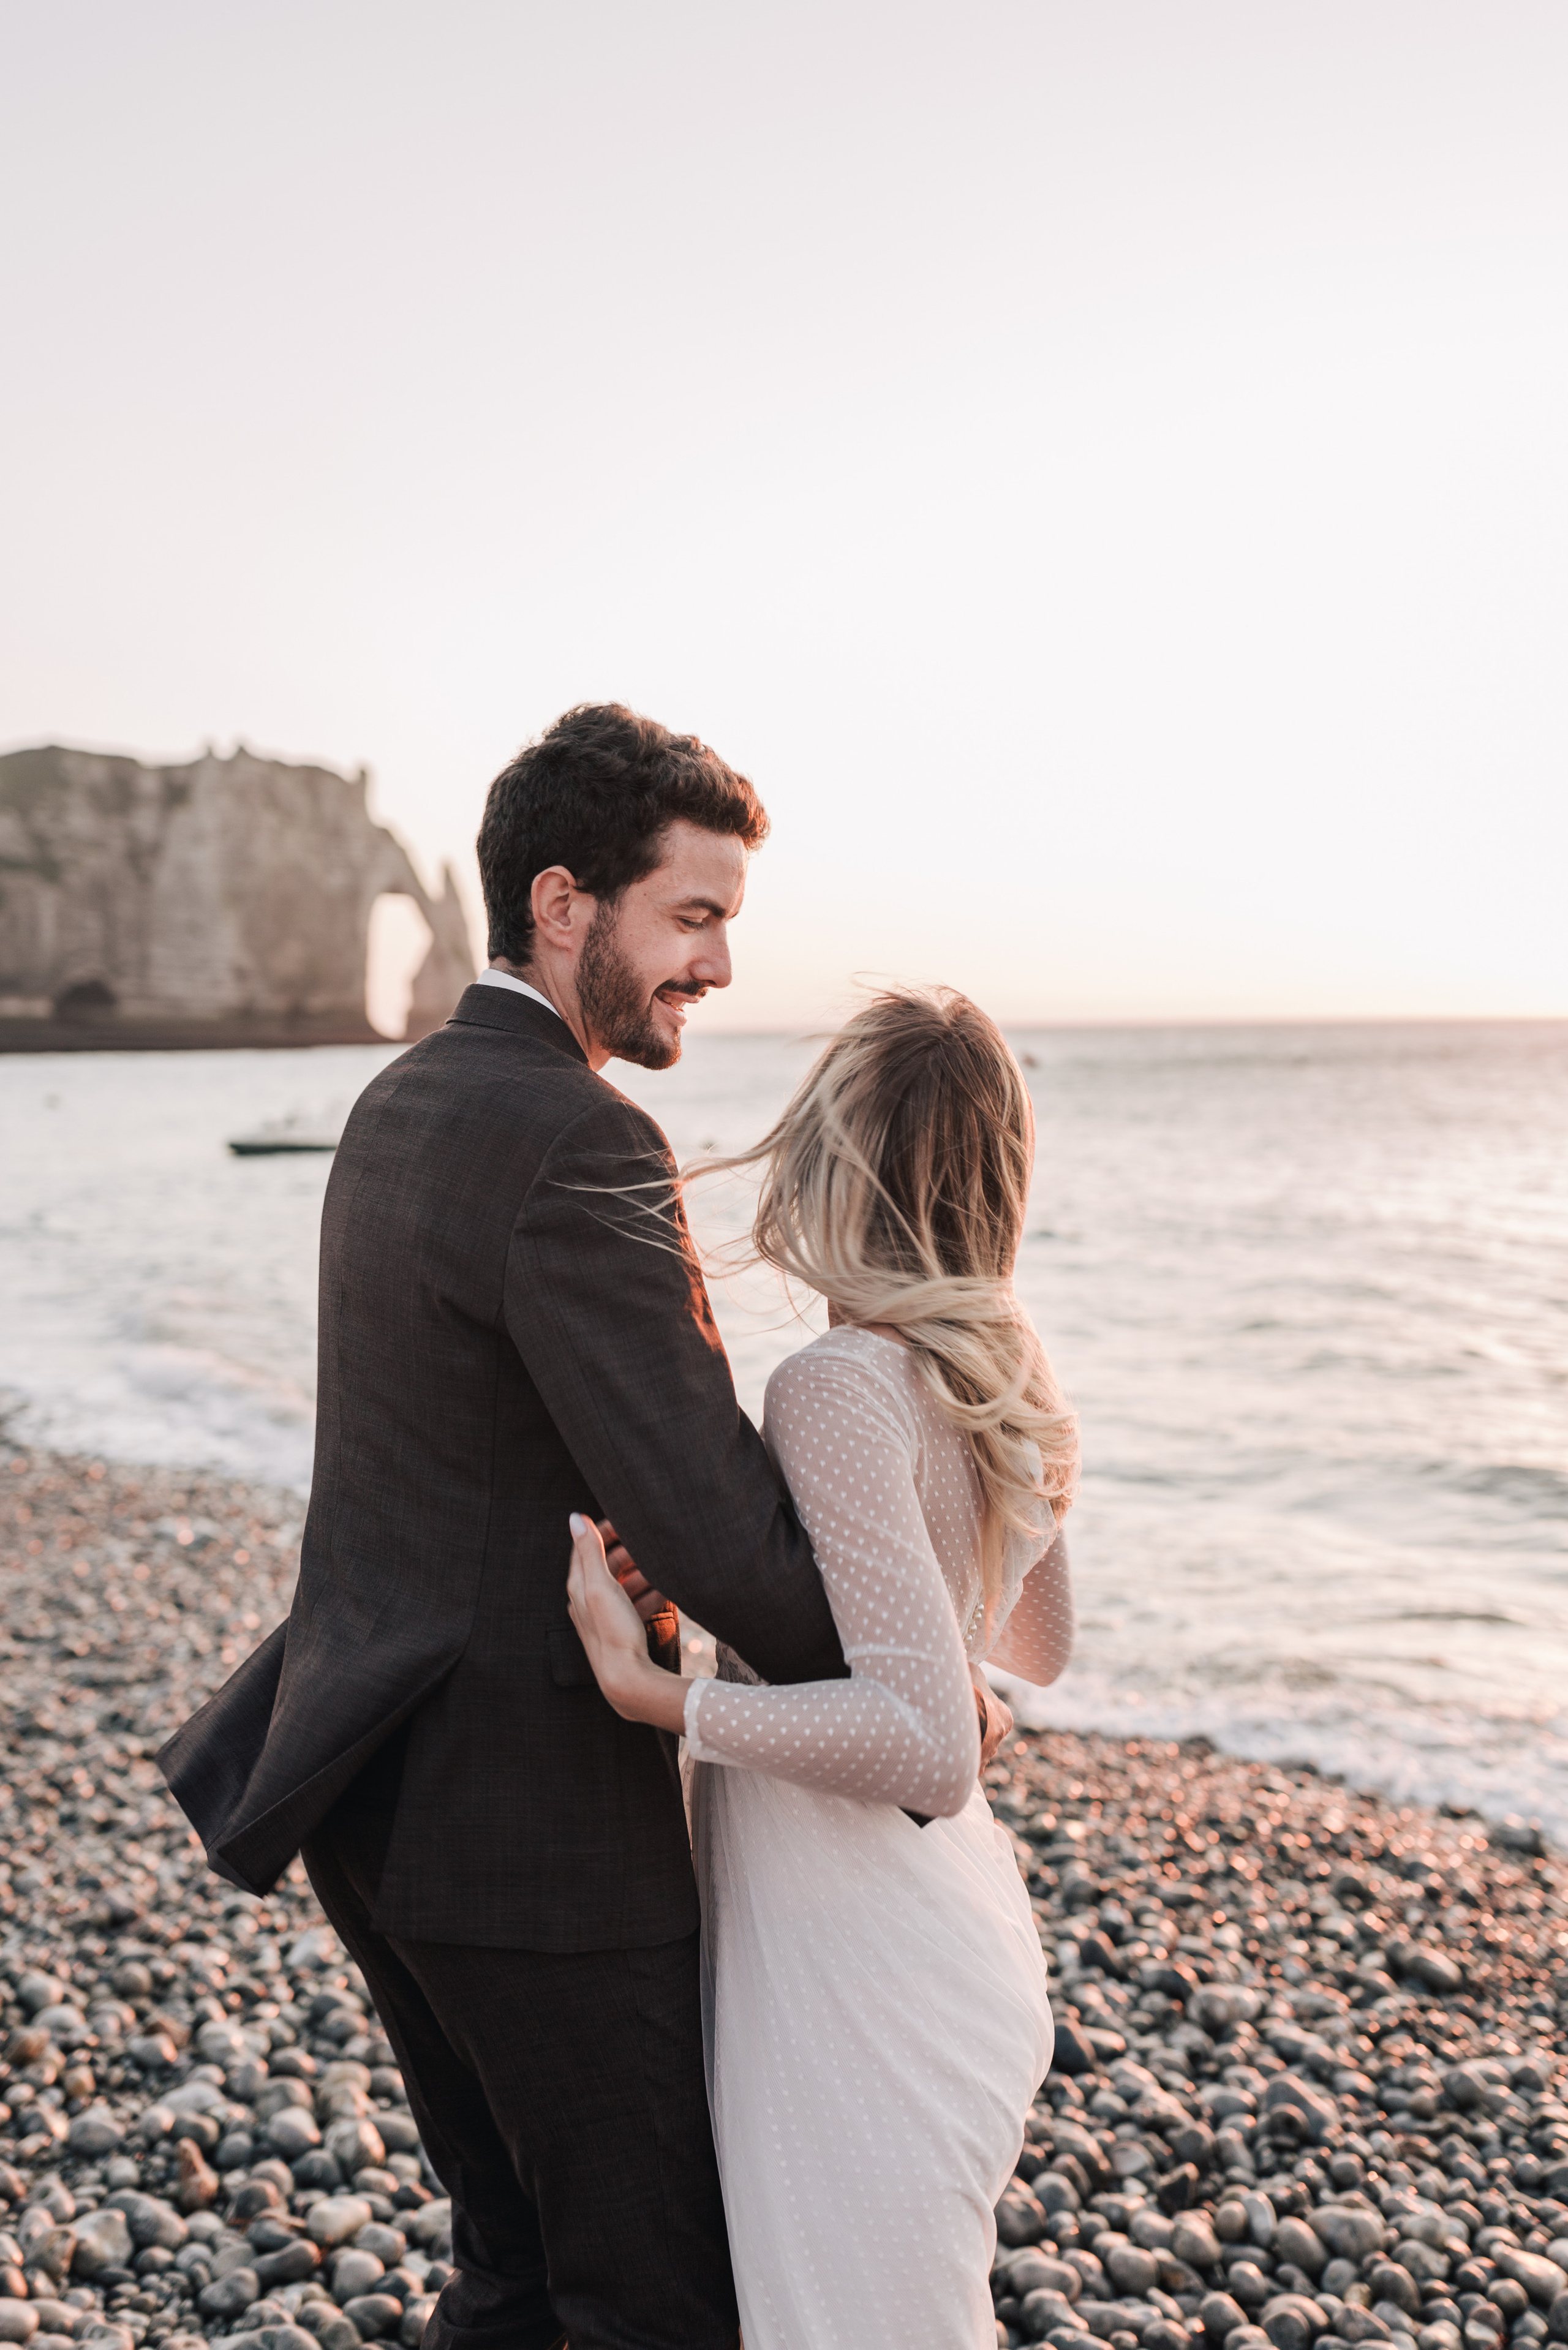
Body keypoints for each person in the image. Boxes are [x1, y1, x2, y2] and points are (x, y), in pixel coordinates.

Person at [161, 704, 871, 2350]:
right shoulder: (579, 1134)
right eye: (693, 914)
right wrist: (908, 1687)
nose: (717, 963)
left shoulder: (400, 1102)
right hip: (531, 1830)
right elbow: (711, 1515)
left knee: (520, 2271)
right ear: (566, 904)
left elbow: (472, 1445)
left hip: (376, 1786)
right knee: (652, 2300)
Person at [567, 985, 1078, 2350]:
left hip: (857, 1956)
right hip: (942, 1929)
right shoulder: (1000, 1358)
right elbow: (1026, 1649)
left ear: (832, 1154)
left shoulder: (838, 1382)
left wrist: (664, 1697)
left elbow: (925, 1742)